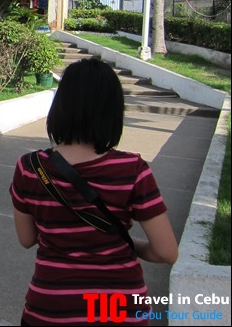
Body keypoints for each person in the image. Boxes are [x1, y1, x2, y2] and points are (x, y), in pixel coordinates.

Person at [9, 57, 178, 326]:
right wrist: (127, 245)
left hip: (50, 309)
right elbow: (166, 252)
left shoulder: (30, 167)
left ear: (61, 106)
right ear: (112, 111)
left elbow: (27, 238)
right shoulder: (133, 170)